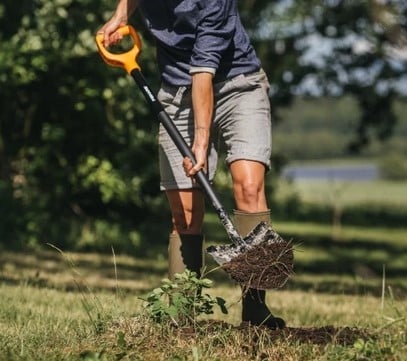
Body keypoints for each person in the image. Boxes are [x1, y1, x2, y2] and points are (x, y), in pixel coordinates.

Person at [98, 0, 285, 329]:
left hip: (237, 84)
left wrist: (200, 141)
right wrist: (120, 16)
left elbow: (203, 67)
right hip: (176, 92)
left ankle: (256, 313)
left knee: (249, 185)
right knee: (184, 214)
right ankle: (180, 319)